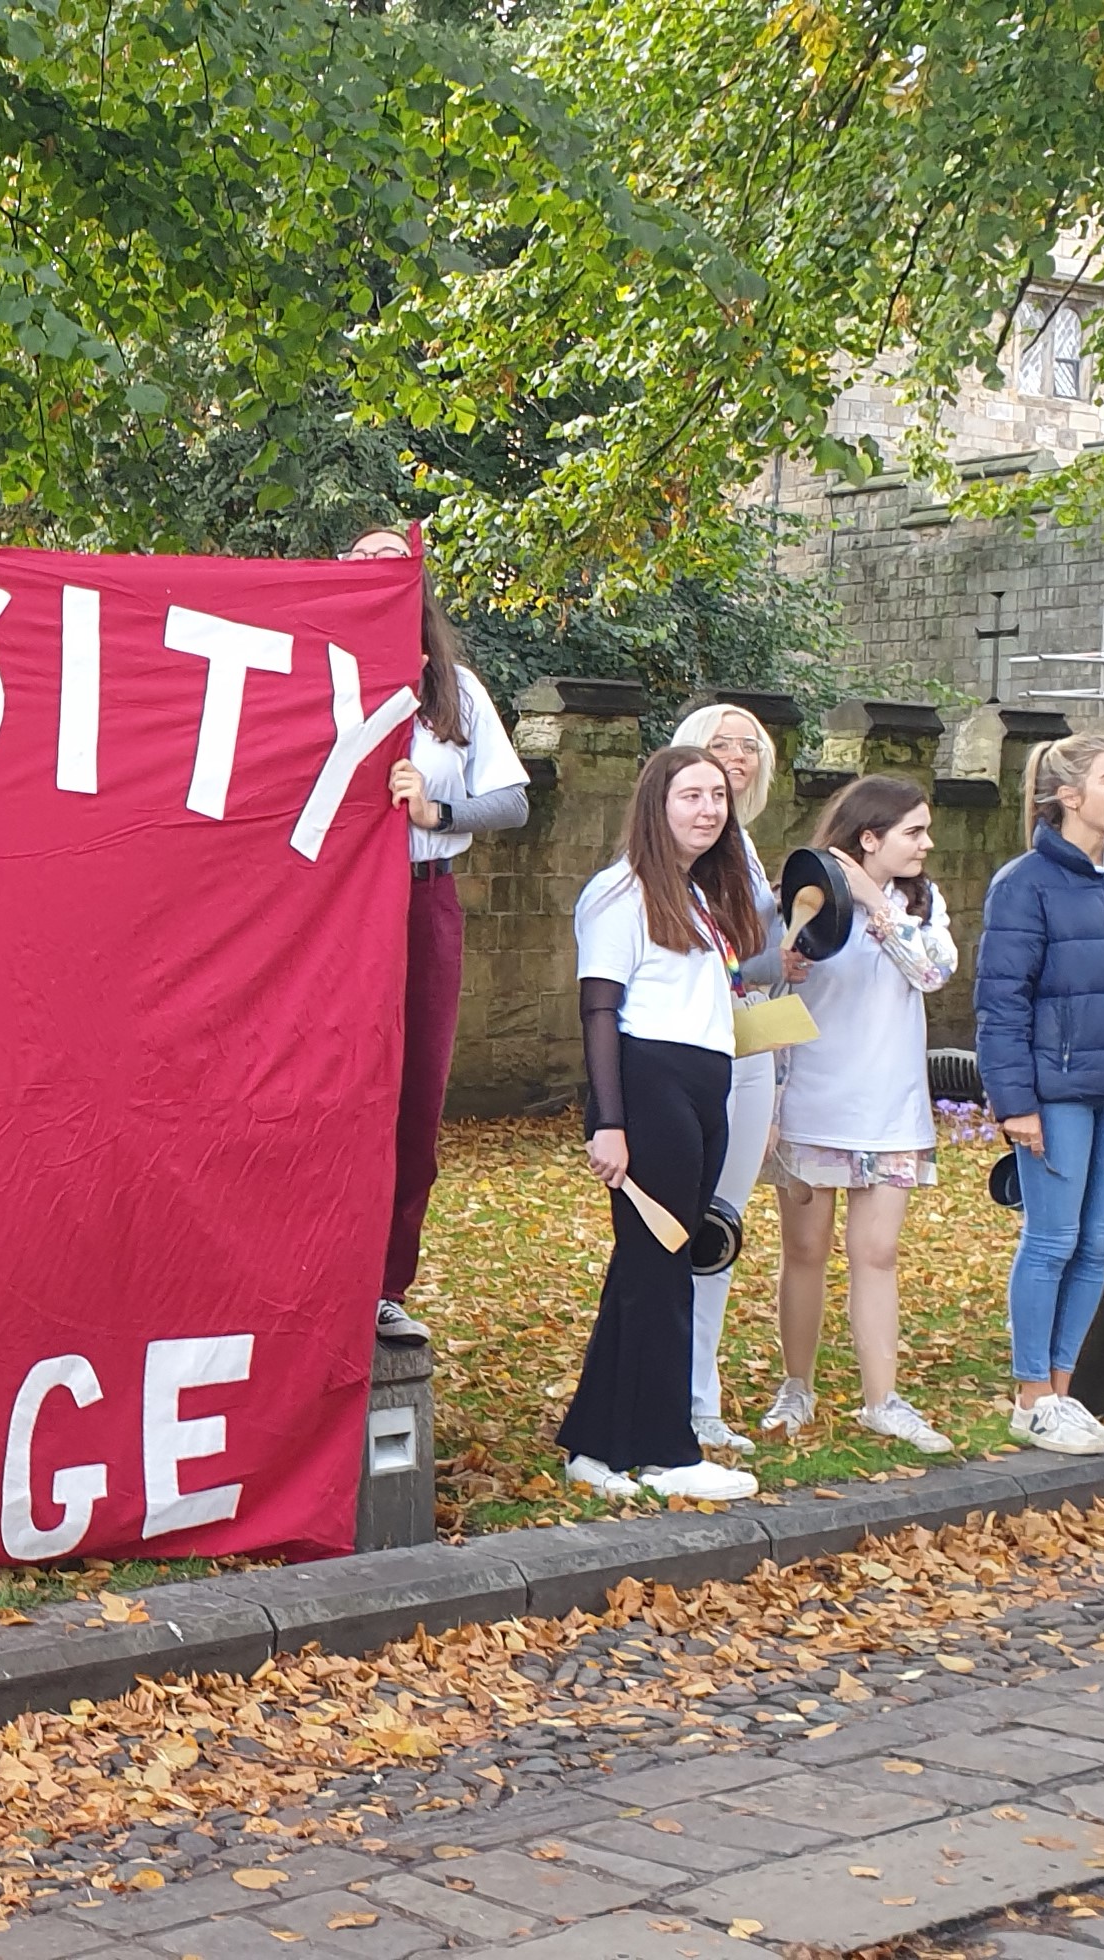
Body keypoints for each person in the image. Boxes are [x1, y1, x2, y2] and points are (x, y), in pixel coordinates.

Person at [973, 733, 1104, 1455]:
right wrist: (1015, 1104)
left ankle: (1063, 1394)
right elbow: (1000, 1004)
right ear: (1069, 796)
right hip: (1058, 1092)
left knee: (1096, 1241)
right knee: (1051, 1240)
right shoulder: (1023, 883)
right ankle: (1030, 1394)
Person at [560, 746, 764, 1503]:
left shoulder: (700, 897)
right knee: (660, 1267)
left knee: (649, 1271)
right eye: (690, 796)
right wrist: (608, 1121)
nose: (708, 810)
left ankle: (595, 1446)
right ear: (655, 803)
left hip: (702, 1088)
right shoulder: (620, 892)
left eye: (717, 796)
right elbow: (599, 1010)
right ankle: (665, 1451)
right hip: (648, 1086)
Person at [344, 526, 531, 1345]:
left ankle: (385, 1284)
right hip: (333, 914)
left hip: (421, 903)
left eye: (392, 564)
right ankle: (316, 1273)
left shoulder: (454, 691)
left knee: (413, 1099)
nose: (376, 576)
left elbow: (513, 802)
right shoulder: (308, 676)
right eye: (358, 564)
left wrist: (437, 812)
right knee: (328, 1094)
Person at [757, 775, 958, 1452]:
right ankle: (797, 1387)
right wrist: (773, 1104)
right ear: (867, 837)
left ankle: (883, 1400)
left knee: (876, 1253)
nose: (925, 844)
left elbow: (930, 974)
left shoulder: (920, 907)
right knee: (804, 1250)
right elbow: (765, 990)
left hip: (891, 1110)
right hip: (813, 1101)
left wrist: (877, 903)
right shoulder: (800, 898)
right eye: (912, 832)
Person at [663, 701, 786, 1455]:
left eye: (748, 746)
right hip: (688, 1054)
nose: (735, 757)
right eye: (718, 745)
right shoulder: (673, 848)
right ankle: (664, 1390)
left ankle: (699, 1397)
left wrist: (790, 959)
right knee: (676, 1224)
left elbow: (755, 966)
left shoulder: (744, 849)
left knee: (720, 1229)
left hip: (749, 1049)